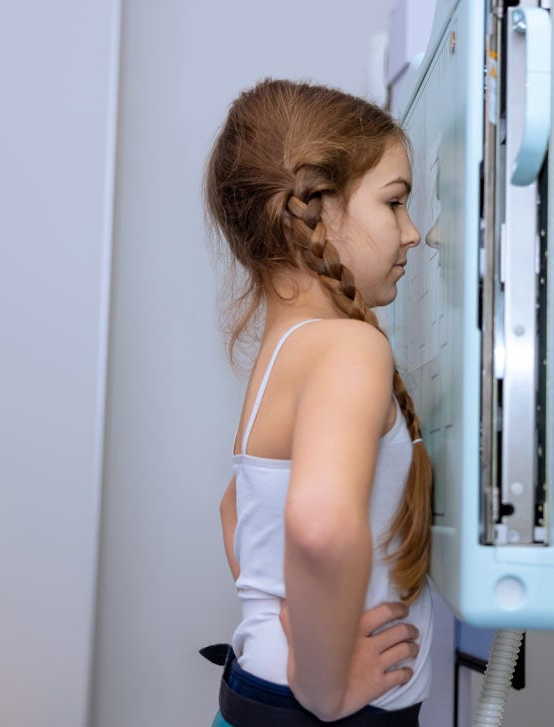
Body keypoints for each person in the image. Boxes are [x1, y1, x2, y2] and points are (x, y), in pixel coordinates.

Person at [200, 78, 434, 727]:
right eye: (394, 203)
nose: (411, 233)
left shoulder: (286, 348)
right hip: (320, 712)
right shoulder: (347, 348)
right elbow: (320, 526)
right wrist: (326, 686)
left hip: (260, 687)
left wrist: (290, 615)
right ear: (320, 209)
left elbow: (234, 507)